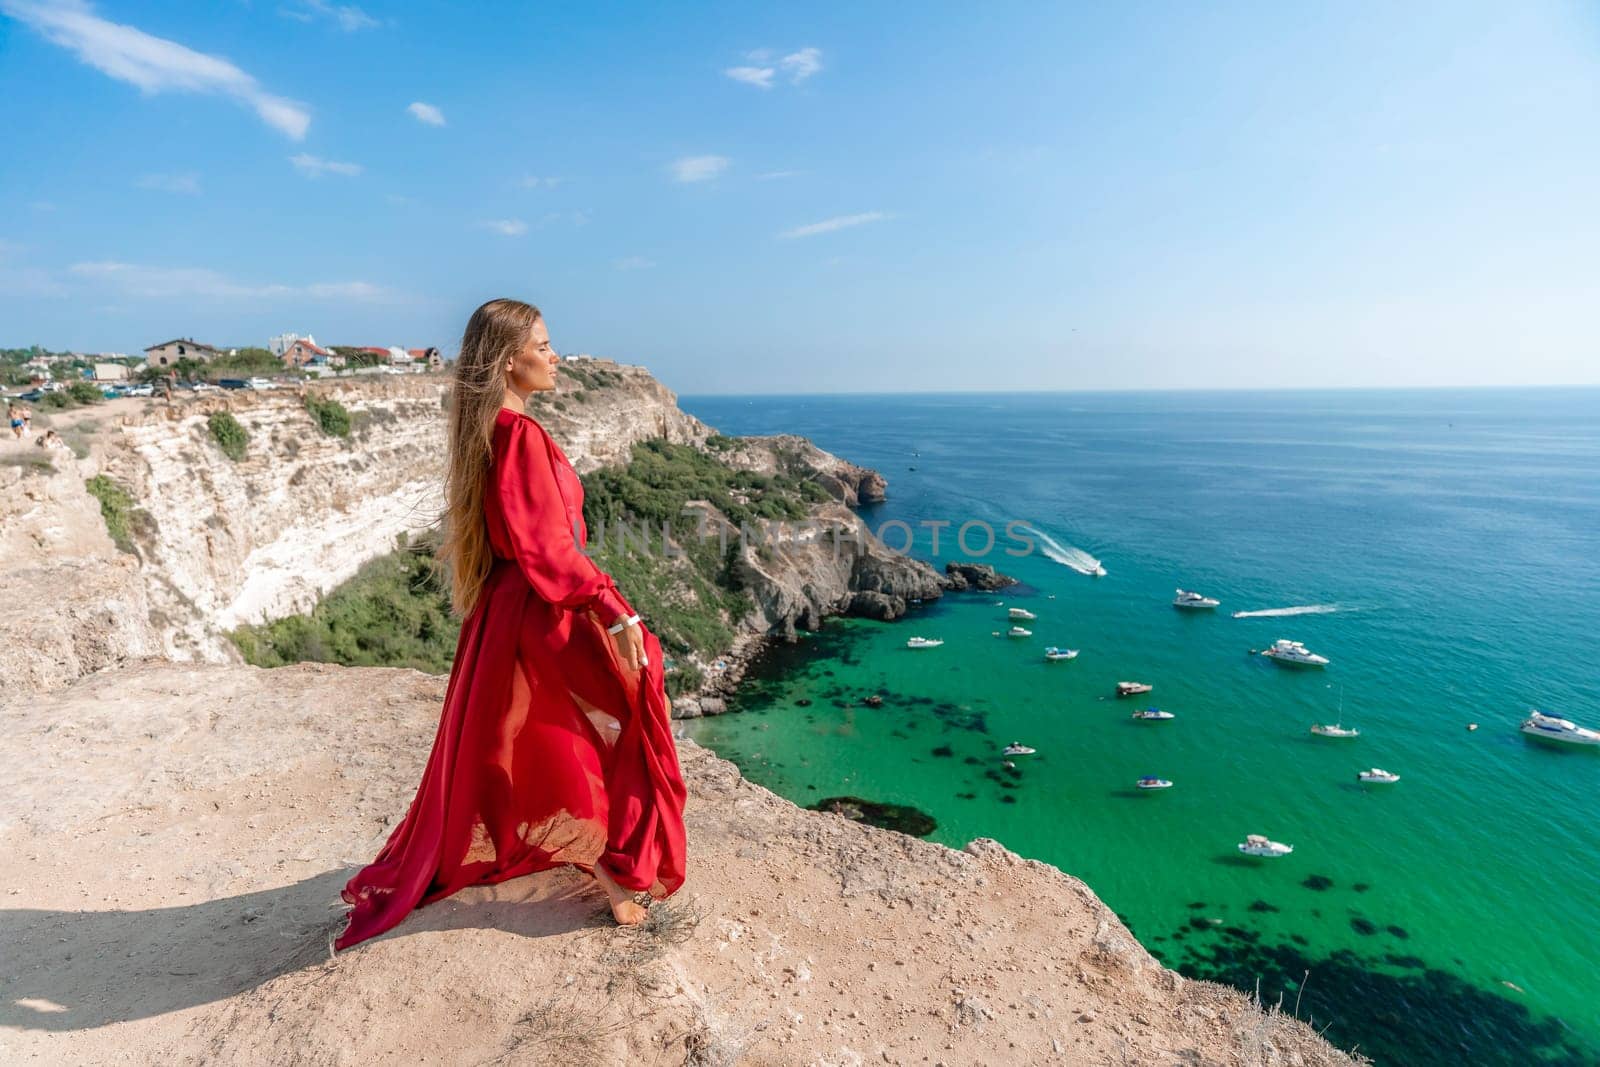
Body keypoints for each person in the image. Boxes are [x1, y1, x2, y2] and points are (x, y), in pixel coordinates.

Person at [333, 298, 687, 952]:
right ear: (508, 359)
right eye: (545, 346)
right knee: (623, 708)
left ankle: (588, 860)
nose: (556, 356)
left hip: (506, 610)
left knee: (532, 736)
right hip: (540, 606)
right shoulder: (520, 434)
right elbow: (549, 549)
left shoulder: (495, 427)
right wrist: (617, 609)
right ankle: (615, 868)